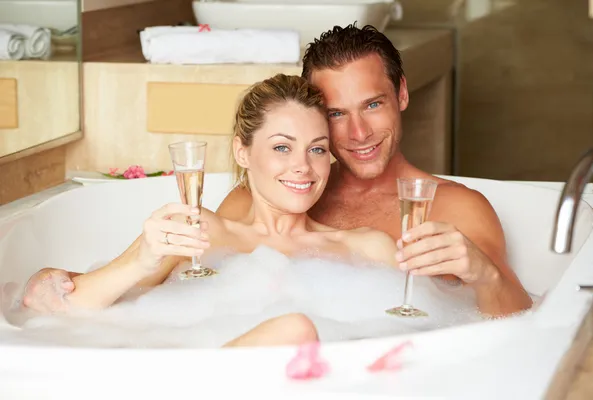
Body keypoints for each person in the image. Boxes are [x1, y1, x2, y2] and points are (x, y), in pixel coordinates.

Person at [22, 24, 532, 317]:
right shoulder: (256, 201)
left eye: (372, 105)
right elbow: (164, 288)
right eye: (334, 113)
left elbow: (514, 324)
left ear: (401, 95)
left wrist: (481, 271)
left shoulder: (456, 210)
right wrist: (67, 281)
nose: (356, 132)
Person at [14, 74, 397, 347]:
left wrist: (461, 267)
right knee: (293, 330)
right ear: (242, 152)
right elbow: (67, 307)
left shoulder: (368, 249)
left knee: (294, 331)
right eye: (282, 147)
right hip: (198, 382)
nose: (303, 166)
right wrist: (141, 262)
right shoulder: (201, 232)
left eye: (316, 149)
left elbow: (436, 324)